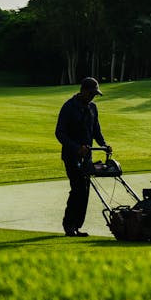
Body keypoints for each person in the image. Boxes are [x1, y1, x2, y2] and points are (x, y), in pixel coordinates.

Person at [55, 76, 110, 237]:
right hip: (71, 156)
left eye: (95, 94)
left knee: (85, 191)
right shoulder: (68, 107)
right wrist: (76, 148)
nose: (93, 96)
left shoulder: (93, 108)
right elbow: (59, 133)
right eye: (91, 93)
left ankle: (77, 225)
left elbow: (96, 131)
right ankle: (69, 224)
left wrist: (104, 145)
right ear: (83, 91)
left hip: (87, 157)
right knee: (77, 189)